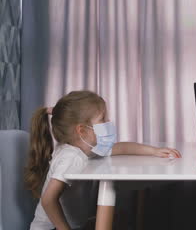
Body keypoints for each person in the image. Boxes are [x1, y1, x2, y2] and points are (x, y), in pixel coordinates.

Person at [26, 90, 181, 230]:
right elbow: (48, 200)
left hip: (74, 224)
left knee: (121, 217)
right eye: (102, 119)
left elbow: (122, 148)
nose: (108, 122)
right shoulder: (71, 157)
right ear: (82, 130)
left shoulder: (87, 148)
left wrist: (153, 151)